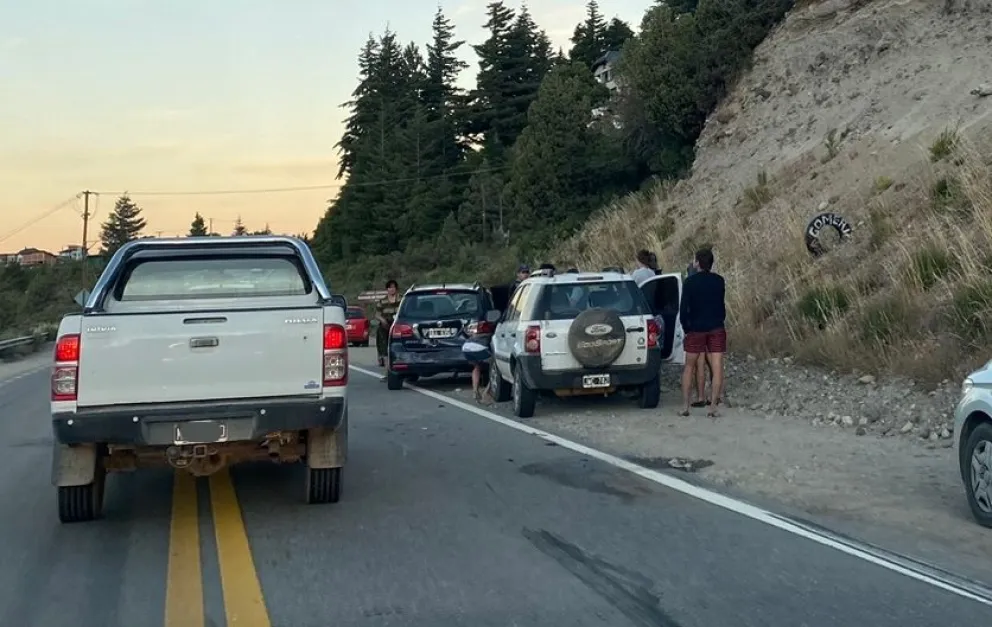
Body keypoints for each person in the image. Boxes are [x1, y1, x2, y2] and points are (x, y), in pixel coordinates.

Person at [678, 249, 727, 418]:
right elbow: (721, 305)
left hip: (696, 328)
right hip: (716, 326)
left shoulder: (690, 282)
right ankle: (713, 407)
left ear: (697, 262)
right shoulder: (719, 281)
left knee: (689, 367)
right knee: (717, 366)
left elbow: (683, 309)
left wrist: (686, 327)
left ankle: (685, 406)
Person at [374, 279, 400, 367]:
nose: (392, 289)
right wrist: (383, 320)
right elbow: (377, 315)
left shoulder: (401, 300)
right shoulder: (382, 301)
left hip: (398, 325)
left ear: (396, 289)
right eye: (390, 287)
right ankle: (386, 366)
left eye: (393, 287)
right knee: (383, 342)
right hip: (385, 325)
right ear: (387, 289)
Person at [463, 333, 494, 404]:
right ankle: (487, 392)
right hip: (480, 347)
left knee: (477, 366)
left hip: (466, 347)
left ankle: (475, 391)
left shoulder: (479, 330)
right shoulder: (493, 332)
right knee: (495, 366)